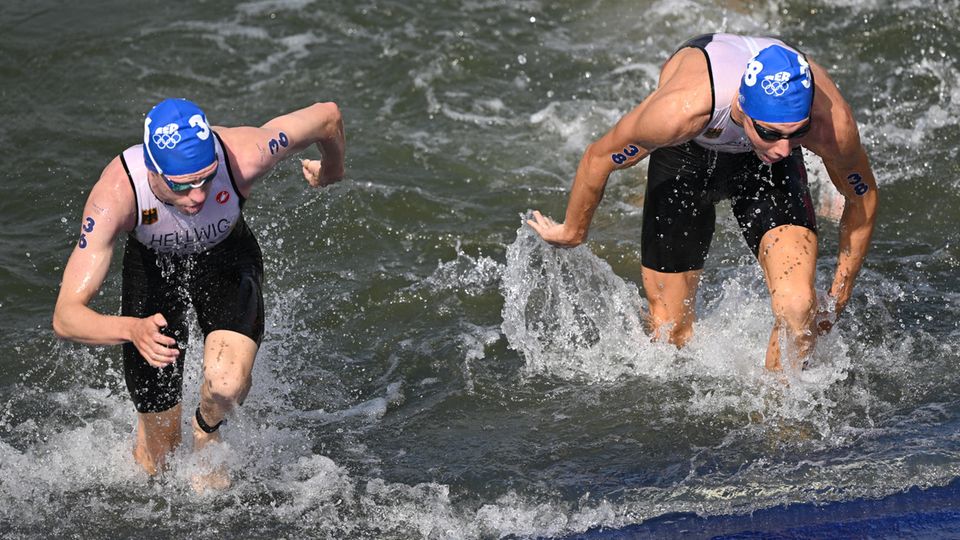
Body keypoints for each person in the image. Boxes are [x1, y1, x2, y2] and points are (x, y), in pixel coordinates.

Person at [527, 33, 878, 371]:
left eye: (796, 133)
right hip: (687, 155)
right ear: (742, 106)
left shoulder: (828, 123)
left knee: (799, 308)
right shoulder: (680, 111)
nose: (784, 148)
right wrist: (573, 231)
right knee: (670, 334)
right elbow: (599, 157)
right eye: (769, 132)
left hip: (767, 173)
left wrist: (838, 296)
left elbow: (862, 196)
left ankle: (779, 422)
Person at [52, 98, 345, 488]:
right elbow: (66, 316)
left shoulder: (243, 154)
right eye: (182, 185)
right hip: (153, 273)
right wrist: (131, 329)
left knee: (225, 385)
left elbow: (328, 116)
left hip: (226, 258)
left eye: (206, 178)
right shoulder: (118, 194)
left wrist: (332, 170)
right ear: (153, 169)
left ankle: (206, 427)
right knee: (158, 463)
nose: (197, 196)